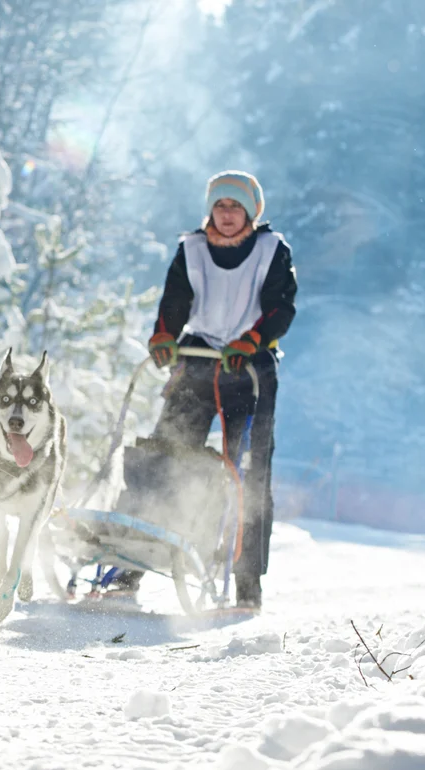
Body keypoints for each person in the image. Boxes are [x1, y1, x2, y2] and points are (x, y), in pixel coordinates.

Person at [113, 170, 297, 609]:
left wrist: (254, 339)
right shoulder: (191, 248)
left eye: (236, 206)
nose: (227, 214)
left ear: (251, 212)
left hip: (250, 369)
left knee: (247, 476)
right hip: (198, 363)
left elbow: (281, 305)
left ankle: (246, 582)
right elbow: (175, 301)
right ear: (210, 210)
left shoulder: (272, 249)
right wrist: (164, 336)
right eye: (220, 206)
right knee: (163, 457)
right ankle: (128, 567)